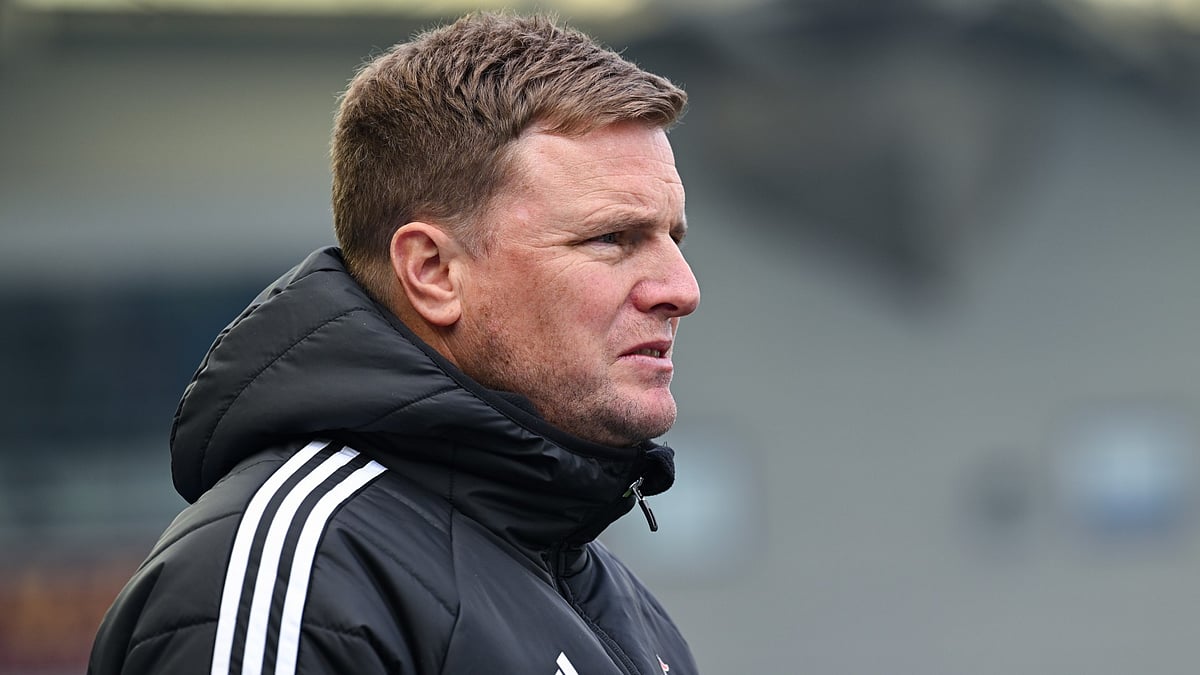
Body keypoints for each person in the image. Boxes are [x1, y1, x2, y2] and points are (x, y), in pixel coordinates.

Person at [88, 11, 701, 675]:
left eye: (674, 238)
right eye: (612, 238)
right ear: (435, 273)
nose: (680, 288)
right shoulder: (296, 579)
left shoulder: (625, 611)